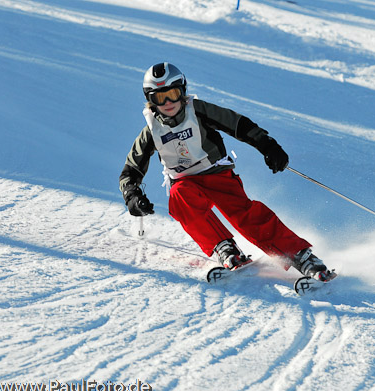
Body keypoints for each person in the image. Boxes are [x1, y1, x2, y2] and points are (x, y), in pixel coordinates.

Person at [119, 62, 333, 281]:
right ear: (150, 100)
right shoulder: (152, 131)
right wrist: (132, 195)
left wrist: (268, 146)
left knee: (244, 215)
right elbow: (130, 171)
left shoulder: (198, 110)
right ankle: (225, 248)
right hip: (185, 183)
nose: (168, 103)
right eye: (159, 98)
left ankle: (301, 257)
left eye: (172, 94)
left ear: (182, 91)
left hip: (216, 174)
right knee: (179, 198)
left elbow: (238, 124)